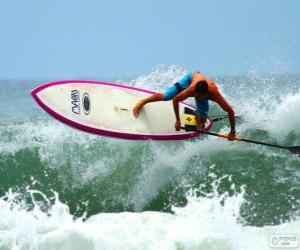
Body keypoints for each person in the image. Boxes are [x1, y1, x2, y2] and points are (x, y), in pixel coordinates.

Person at [132, 71, 236, 140]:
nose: (195, 96)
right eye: (195, 94)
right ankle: (143, 102)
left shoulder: (214, 94)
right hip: (190, 78)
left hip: (204, 89)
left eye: (198, 96)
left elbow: (230, 111)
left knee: (202, 121)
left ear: (206, 94)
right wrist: (178, 120)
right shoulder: (191, 90)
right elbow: (176, 100)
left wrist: (232, 132)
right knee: (167, 96)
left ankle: (197, 117)